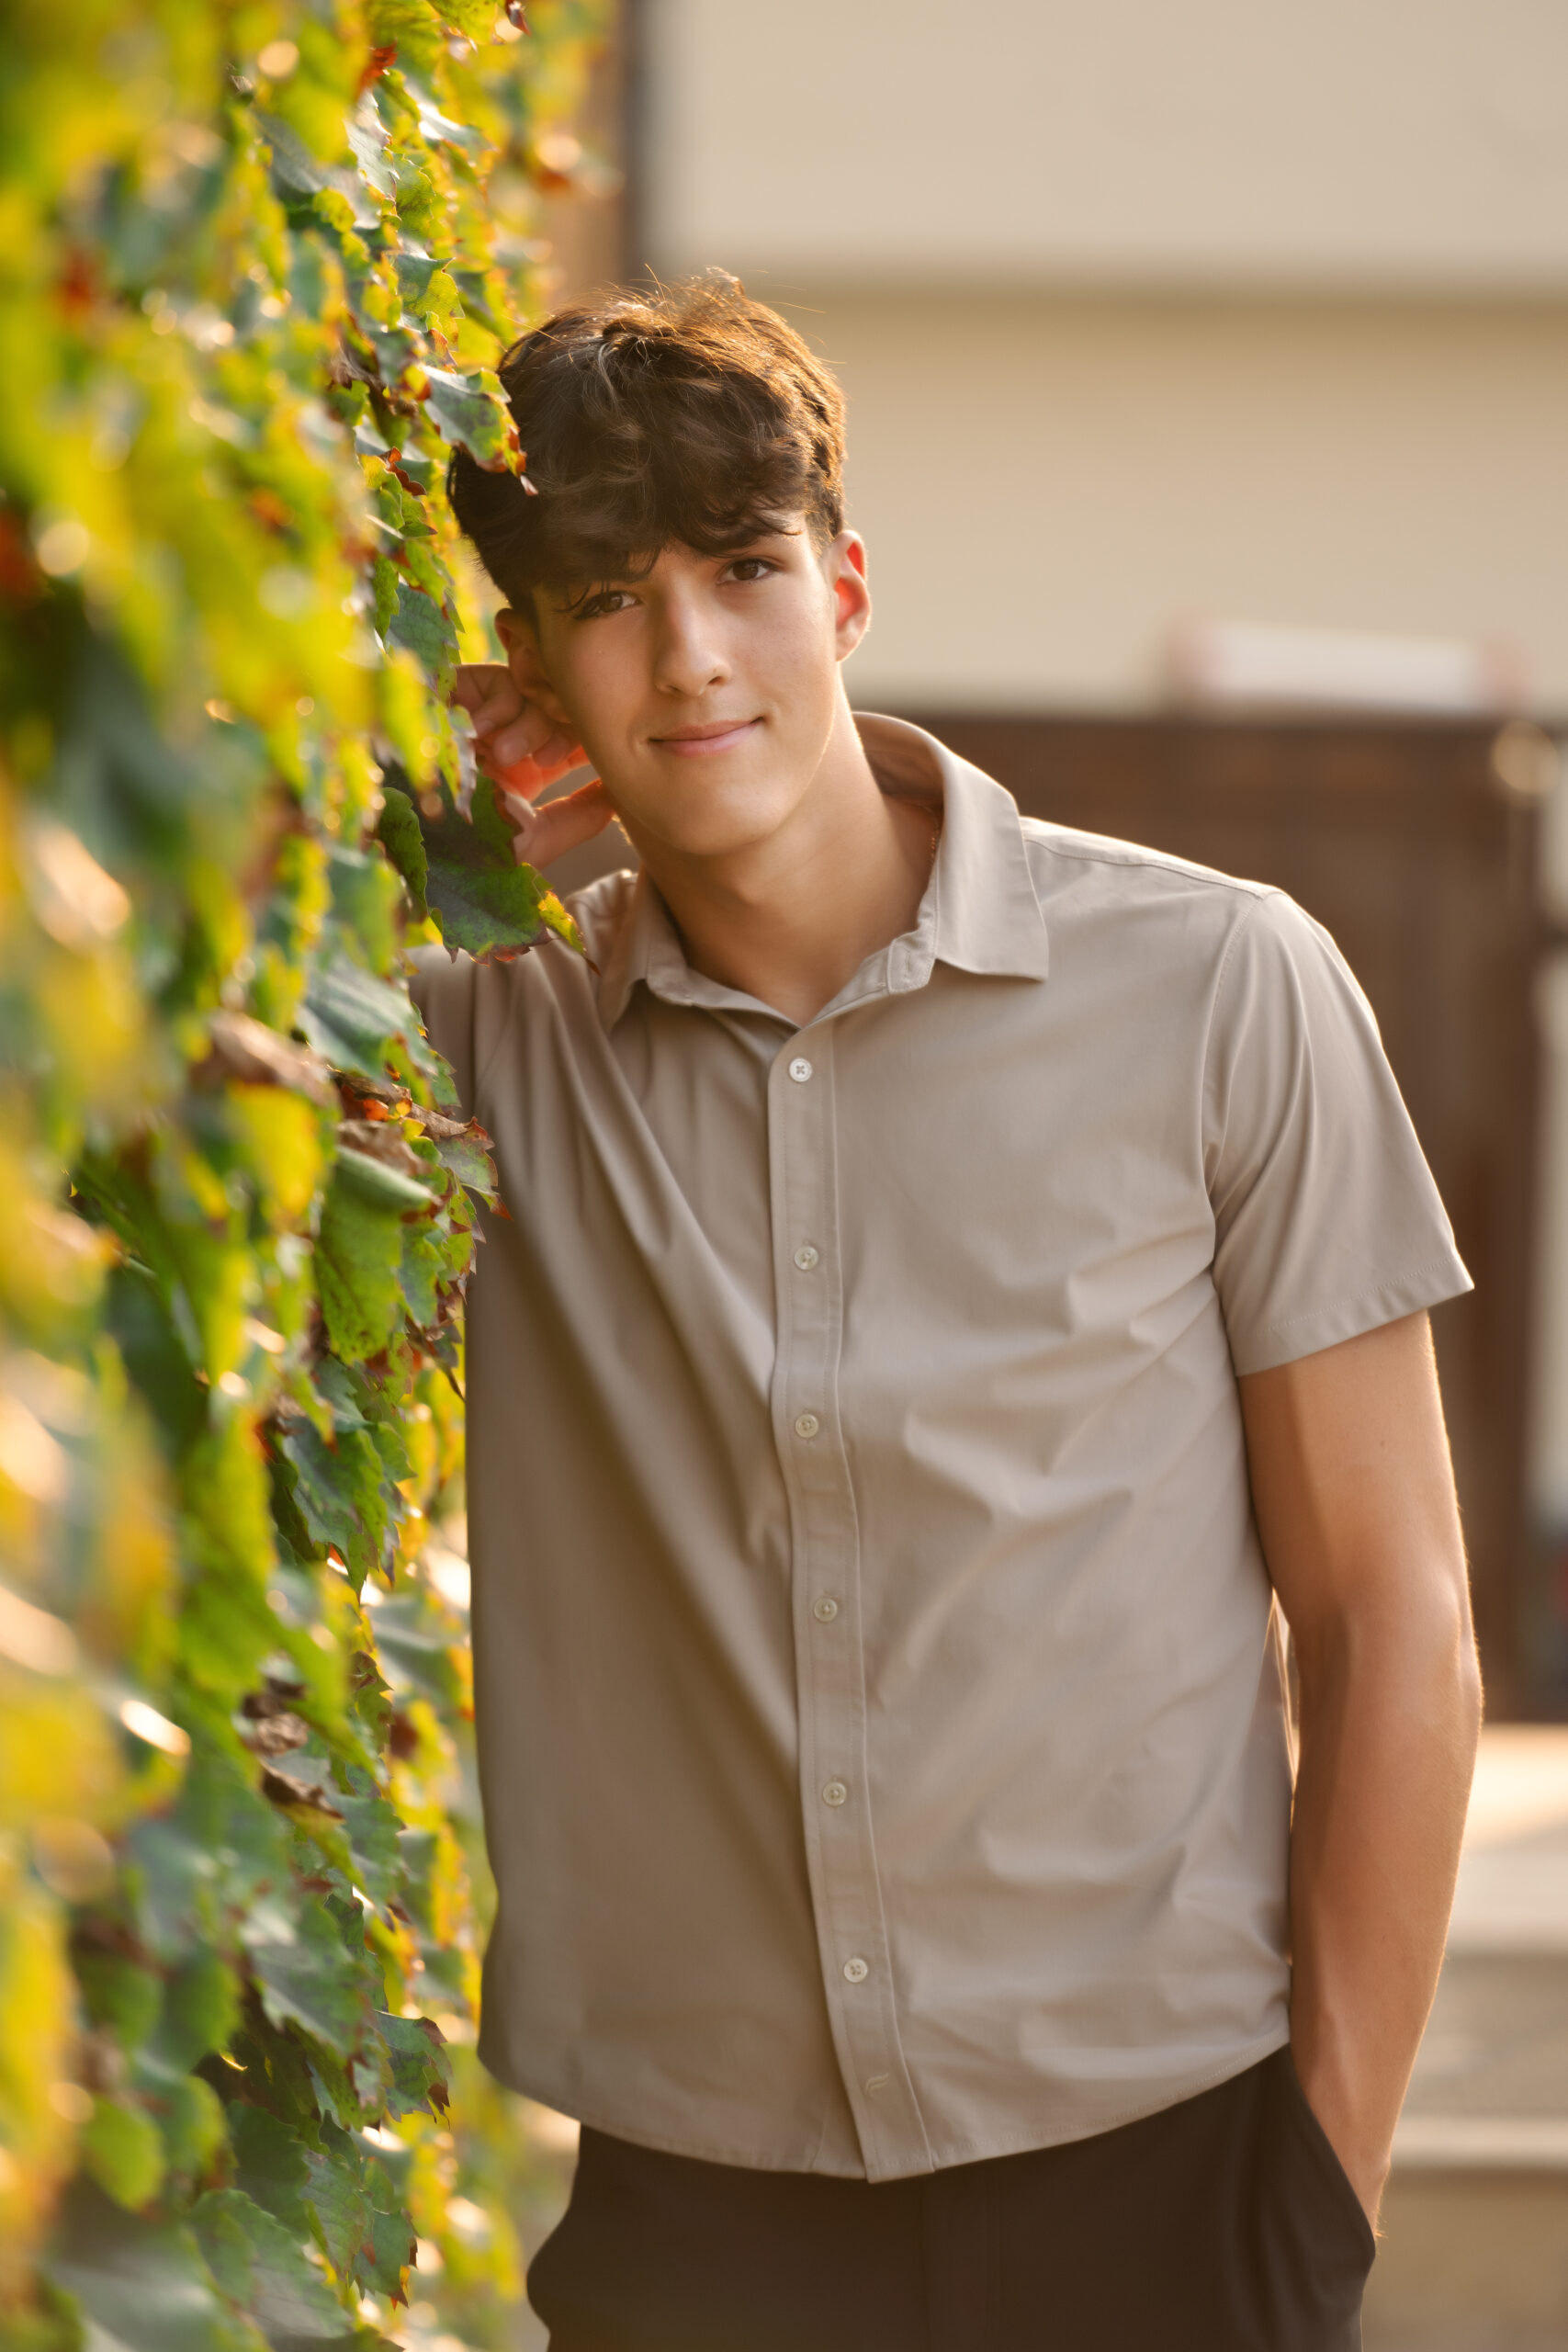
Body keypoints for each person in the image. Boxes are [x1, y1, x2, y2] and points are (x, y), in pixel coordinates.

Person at [410, 273, 1481, 2351]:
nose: (693, 653)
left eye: (741, 570)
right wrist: (425, 836)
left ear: (847, 585)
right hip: (694, 2219)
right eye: (610, 598)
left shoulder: (1216, 990)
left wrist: (1317, 2195)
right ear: (528, 662)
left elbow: (1389, 1616)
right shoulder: (476, 1042)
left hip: (1167, 2184)